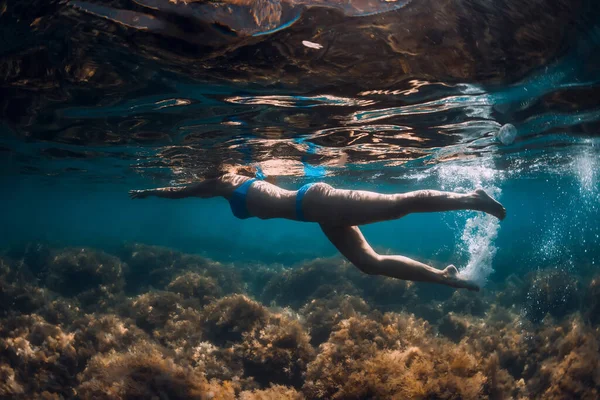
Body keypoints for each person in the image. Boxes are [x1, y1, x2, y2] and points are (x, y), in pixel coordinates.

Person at [129, 168, 506, 291]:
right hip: (316, 215)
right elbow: (185, 192)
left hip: (315, 202)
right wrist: (151, 192)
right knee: (369, 263)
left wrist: (151, 191)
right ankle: (445, 277)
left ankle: (472, 197)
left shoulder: (226, 181)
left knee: (397, 207)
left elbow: (183, 192)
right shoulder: (246, 175)